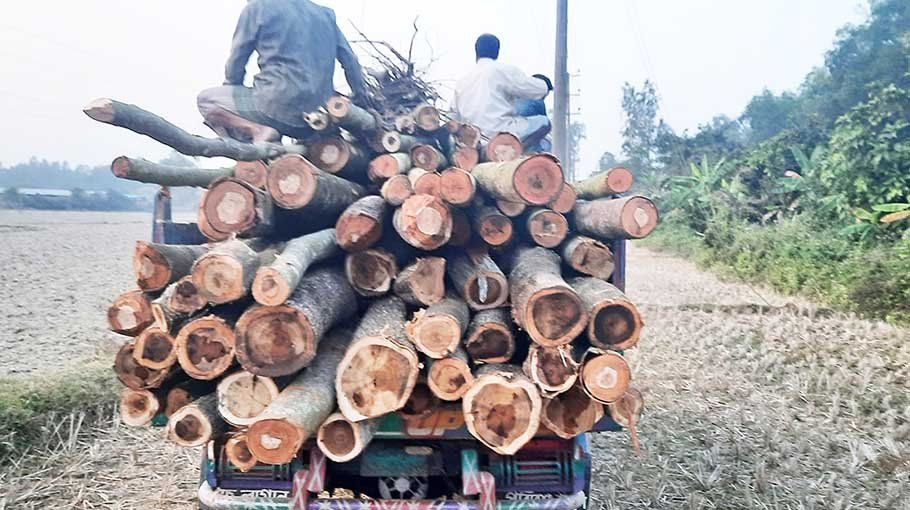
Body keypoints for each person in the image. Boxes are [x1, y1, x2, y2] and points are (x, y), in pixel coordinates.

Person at [197, 0, 374, 143]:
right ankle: (268, 142)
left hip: (273, 106)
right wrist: (360, 97)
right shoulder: (325, 14)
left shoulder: (257, 7)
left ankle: (257, 131)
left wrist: (232, 89)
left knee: (206, 100)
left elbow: (236, 62)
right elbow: (350, 61)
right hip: (318, 116)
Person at [453, 34, 551, 148]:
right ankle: (519, 153)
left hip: (473, 140)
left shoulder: (462, 81)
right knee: (544, 122)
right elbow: (539, 90)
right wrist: (544, 83)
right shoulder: (502, 70)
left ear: (476, 51)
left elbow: (452, 116)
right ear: (497, 52)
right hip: (503, 133)